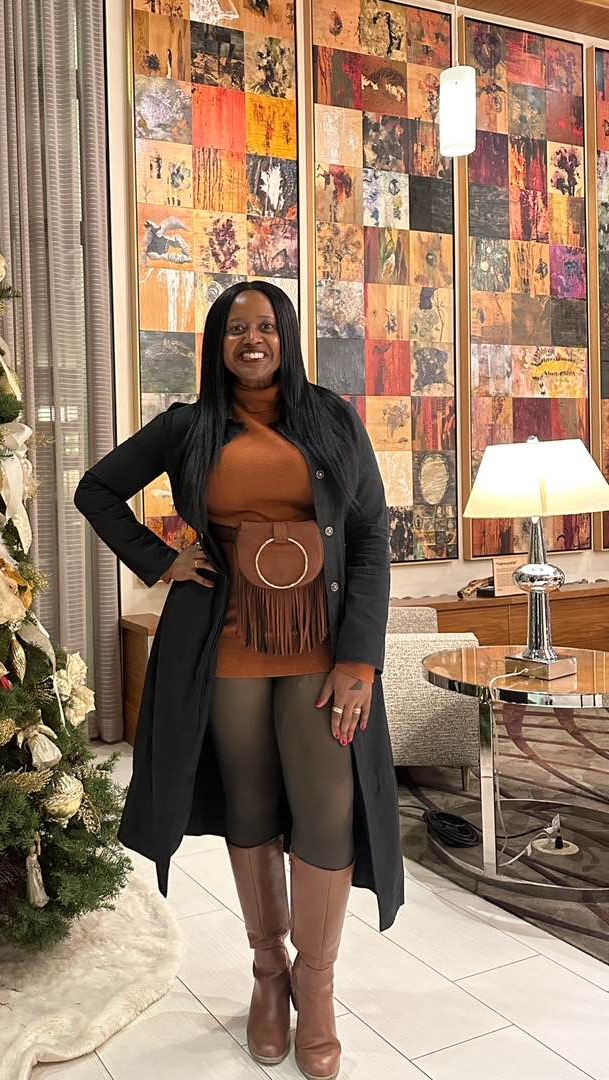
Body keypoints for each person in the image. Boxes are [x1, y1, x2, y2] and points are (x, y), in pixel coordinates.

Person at [75, 281, 400, 1080]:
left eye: (263, 327)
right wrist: (162, 560)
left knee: (327, 808)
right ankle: (268, 971)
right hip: (223, 644)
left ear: (285, 336)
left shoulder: (330, 417)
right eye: (233, 330)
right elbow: (97, 491)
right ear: (217, 345)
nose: (250, 340)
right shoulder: (191, 427)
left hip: (322, 647)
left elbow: (368, 536)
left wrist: (360, 660)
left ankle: (316, 989)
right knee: (250, 804)